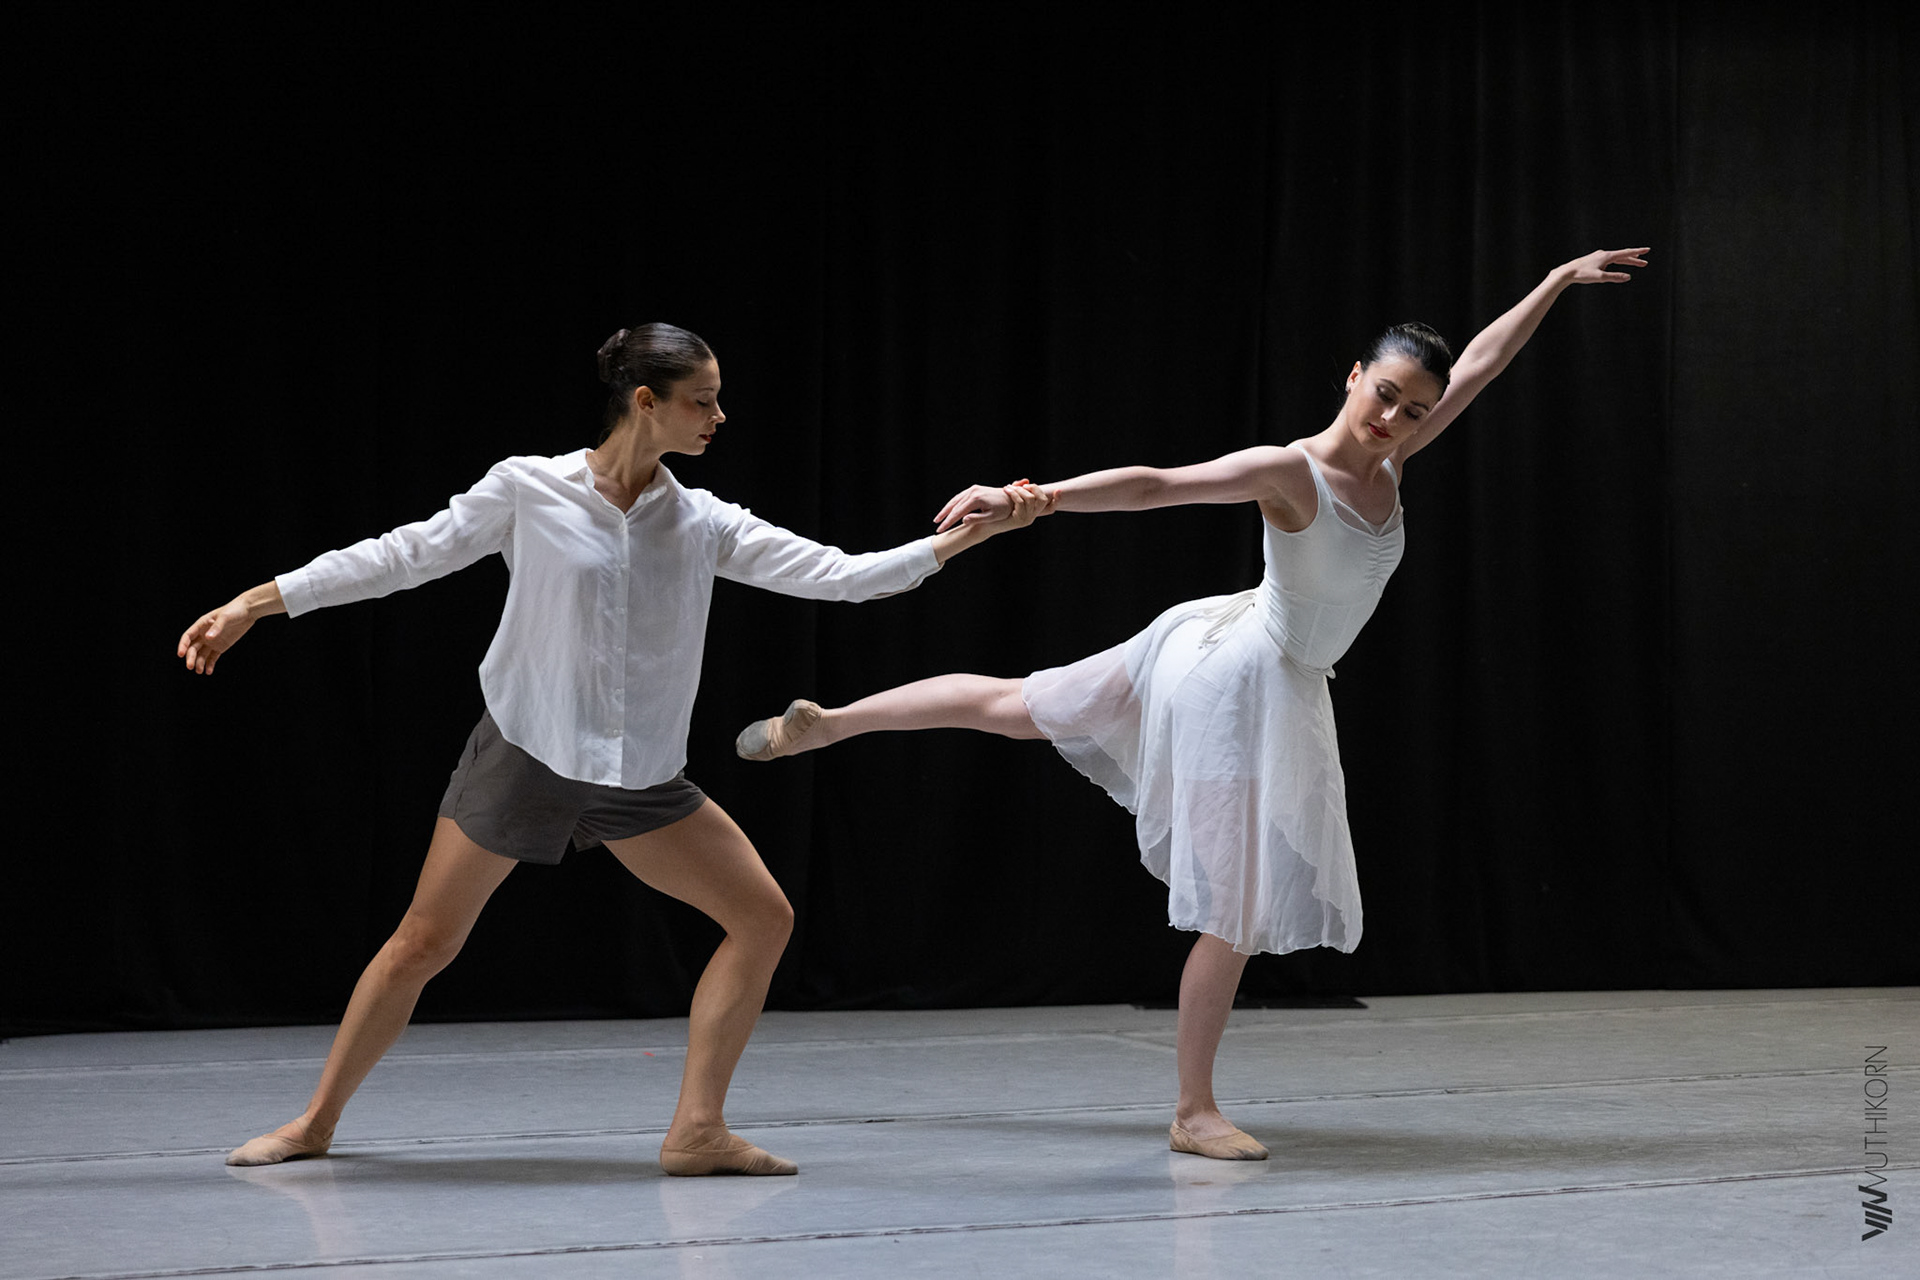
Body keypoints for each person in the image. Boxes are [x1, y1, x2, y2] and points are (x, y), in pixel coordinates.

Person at [735, 248, 1651, 1161]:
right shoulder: (1292, 472)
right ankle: (1193, 1112)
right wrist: (1032, 498)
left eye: (1414, 409)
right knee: (1232, 905)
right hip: (1240, 685)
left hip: (1238, 650)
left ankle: (833, 724)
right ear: (1354, 377)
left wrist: (1555, 282)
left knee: (1022, 708)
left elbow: (1483, 361)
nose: (1394, 418)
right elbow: (1158, 483)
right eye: (1385, 395)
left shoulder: (1394, 458)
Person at [178, 323, 1051, 1176]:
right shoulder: (529, 488)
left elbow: (844, 577)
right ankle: (315, 1123)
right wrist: (256, 603)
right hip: (528, 751)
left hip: (641, 776)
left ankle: (698, 1131)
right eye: (702, 400)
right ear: (645, 401)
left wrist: (967, 537)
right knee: (422, 944)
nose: (719, 417)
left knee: (763, 918)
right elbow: (402, 555)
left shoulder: (704, 520)